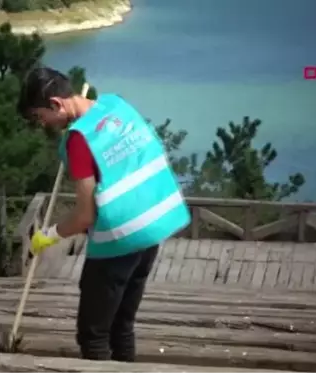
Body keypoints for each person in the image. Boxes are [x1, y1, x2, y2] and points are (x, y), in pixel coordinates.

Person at [17, 66, 191, 362]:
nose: (42, 124)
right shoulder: (116, 106)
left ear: (56, 104)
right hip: (153, 226)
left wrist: (49, 235)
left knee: (94, 333)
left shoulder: (78, 140)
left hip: (120, 239)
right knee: (122, 325)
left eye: (39, 116)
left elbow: (85, 216)